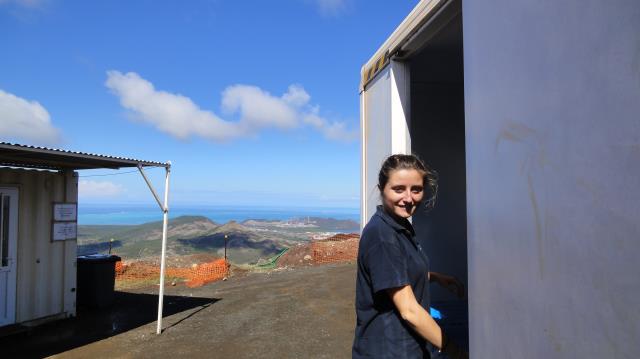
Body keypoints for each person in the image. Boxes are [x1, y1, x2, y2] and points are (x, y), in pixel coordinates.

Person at [352, 154, 467, 359]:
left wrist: (436, 277)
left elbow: (398, 273)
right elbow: (409, 311)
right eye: (398, 189)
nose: (408, 198)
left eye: (416, 189)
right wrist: (454, 350)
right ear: (382, 189)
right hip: (390, 351)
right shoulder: (382, 236)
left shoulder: (399, 225)